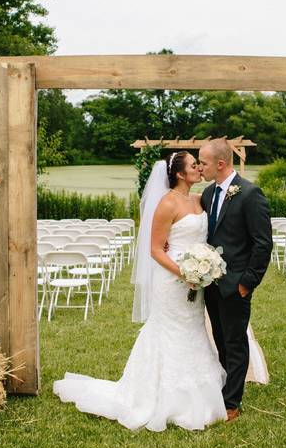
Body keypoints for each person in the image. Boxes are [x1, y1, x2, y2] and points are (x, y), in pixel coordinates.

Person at [53, 152, 227, 431]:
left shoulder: (198, 200)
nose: (198, 168)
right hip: (172, 281)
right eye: (193, 165)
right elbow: (155, 249)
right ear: (180, 174)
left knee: (193, 329)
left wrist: (204, 268)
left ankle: (200, 392)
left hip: (198, 280)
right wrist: (184, 272)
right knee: (168, 330)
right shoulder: (166, 203)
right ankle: (158, 395)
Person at [198, 138, 273, 421]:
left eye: (203, 162)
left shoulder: (250, 194)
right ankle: (225, 387)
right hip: (210, 285)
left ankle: (231, 403)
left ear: (220, 164)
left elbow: (263, 243)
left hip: (236, 285)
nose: (199, 167)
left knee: (236, 342)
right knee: (220, 339)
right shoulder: (207, 194)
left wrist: (247, 283)